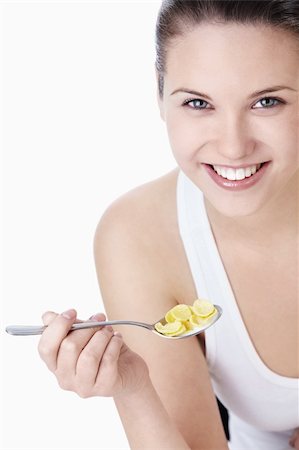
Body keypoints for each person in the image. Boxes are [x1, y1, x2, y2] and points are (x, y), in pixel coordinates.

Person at [37, 1, 299, 449]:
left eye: (267, 101)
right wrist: (135, 391)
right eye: (198, 103)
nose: (234, 146)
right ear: (160, 96)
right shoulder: (139, 236)